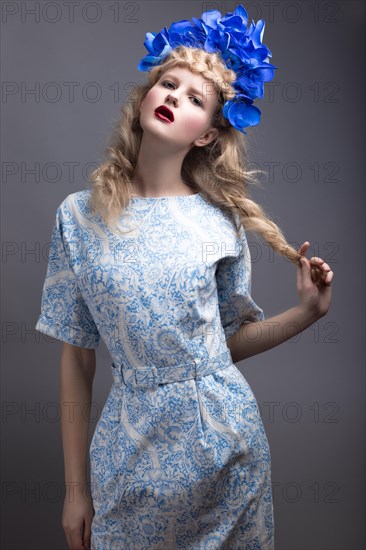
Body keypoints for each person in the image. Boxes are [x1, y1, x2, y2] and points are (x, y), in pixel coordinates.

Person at [35, 5, 333, 549]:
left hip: (227, 451)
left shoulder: (220, 224)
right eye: (168, 84)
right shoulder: (77, 217)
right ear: (144, 98)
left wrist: (309, 313)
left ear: (207, 136)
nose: (174, 96)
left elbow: (220, 349)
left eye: (196, 98)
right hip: (130, 456)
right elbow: (77, 357)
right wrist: (75, 490)